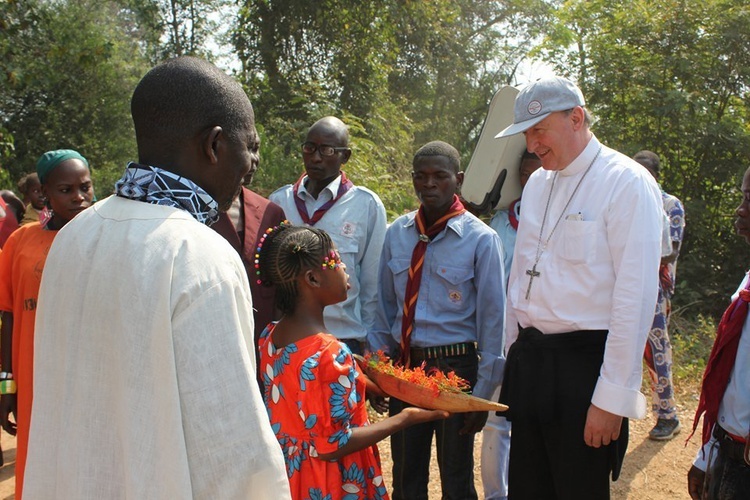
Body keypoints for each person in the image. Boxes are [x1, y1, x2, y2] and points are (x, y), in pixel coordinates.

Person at [23, 57, 290, 499]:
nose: (253, 163)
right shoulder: (199, 255)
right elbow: (232, 451)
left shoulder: (73, 238)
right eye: (251, 146)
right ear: (215, 144)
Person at [495, 76, 663, 498]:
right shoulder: (537, 184)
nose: (532, 145)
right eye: (526, 134)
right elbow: (521, 277)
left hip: (584, 371)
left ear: (576, 118)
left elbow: (635, 297)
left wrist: (612, 399)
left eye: (539, 130)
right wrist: (509, 360)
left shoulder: (626, 181)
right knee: (527, 489)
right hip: (531, 364)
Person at [256, 223, 447, 500]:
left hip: (291, 478)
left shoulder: (270, 337)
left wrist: (361, 377)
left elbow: (306, 394)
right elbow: (332, 445)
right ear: (312, 279)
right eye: (336, 261)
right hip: (332, 483)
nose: (344, 268)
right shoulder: (329, 353)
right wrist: (404, 419)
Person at [368, 140, 506, 500]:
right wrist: (379, 371)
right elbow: (383, 308)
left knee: (456, 476)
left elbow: (494, 322)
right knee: (406, 471)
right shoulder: (396, 233)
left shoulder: (481, 239)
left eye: (440, 176)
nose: (429, 184)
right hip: (406, 366)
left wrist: (481, 395)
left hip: (456, 369)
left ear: (457, 179)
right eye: (421, 176)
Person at [0, 149, 95, 499]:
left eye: (85, 187)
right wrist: (6, 385)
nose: (79, 197)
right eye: (66, 189)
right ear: (44, 193)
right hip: (34, 378)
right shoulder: (20, 242)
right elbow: (8, 313)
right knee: (39, 460)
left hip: (89, 378)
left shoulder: (104, 239)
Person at [269, 116, 387, 355]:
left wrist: (369, 342)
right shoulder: (280, 202)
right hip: (289, 340)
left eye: (327, 150)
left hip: (343, 340)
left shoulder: (366, 205)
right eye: (309, 147)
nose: (315, 157)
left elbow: (373, 284)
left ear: (345, 156)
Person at [687, 166, 750, 500]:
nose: (740, 209)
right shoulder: (748, 282)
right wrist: (707, 454)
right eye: (742, 196)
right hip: (728, 454)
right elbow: (732, 384)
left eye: (749, 199)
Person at [482, 150, 541, 500]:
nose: (529, 178)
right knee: (495, 422)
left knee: (532, 421)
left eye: (538, 171)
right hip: (501, 334)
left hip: (540, 339)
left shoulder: (562, 220)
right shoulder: (502, 223)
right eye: (524, 172)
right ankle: (495, 495)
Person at [633, 150, 686, 441]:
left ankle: (668, 415)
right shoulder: (630, 200)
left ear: (656, 176)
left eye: (647, 173)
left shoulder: (670, 205)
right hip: (628, 284)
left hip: (655, 290)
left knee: (656, 351)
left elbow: (670, 252)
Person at [212, 161, 286, 343]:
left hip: (262, 329)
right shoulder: (195, 209)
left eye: (256, 149)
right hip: (215, 324)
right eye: (247, 148)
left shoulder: (271, 212)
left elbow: (281, 282)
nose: (253, 159)